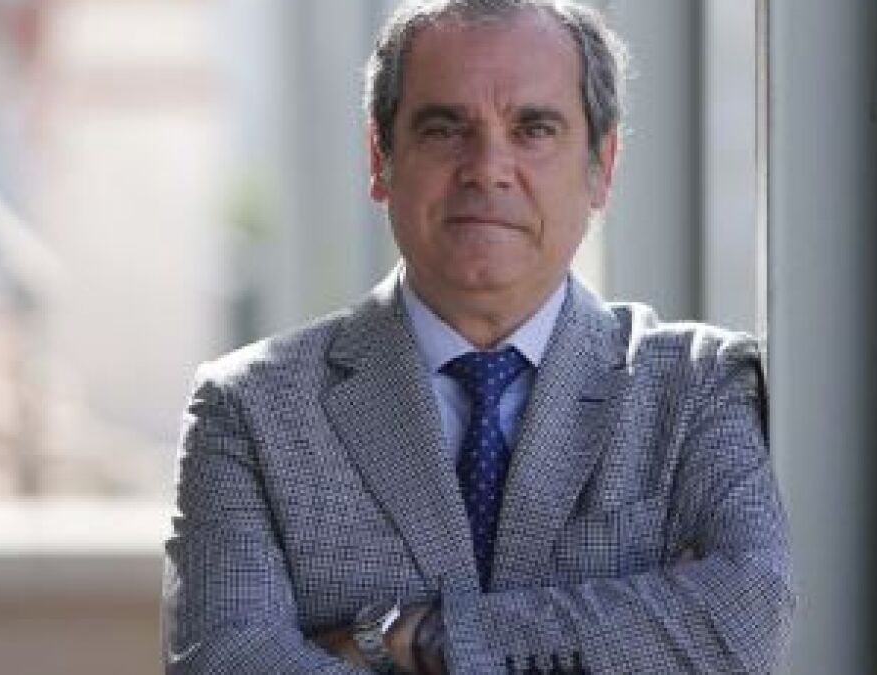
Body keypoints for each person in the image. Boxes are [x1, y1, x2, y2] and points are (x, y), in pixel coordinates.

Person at [162, 1, 794, 672]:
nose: (487, 168)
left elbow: (742, 622)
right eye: (445, 129)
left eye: (533, 129)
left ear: (602, 166)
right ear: (380, 158)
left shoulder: (698, 385)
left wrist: (413, 639)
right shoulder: (250, 408)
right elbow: (224, 664)